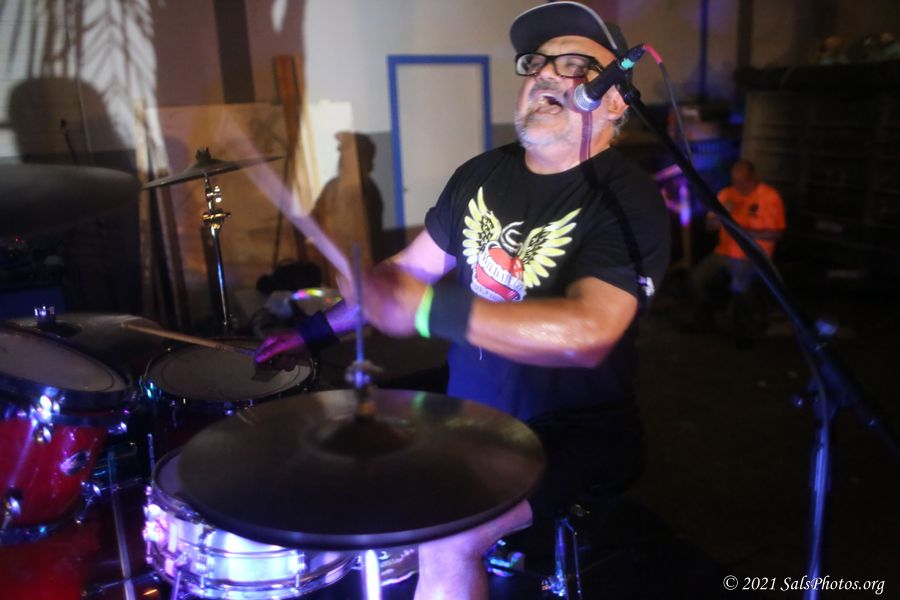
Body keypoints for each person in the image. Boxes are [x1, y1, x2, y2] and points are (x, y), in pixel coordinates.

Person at [256, 2, 669, 598]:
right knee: (343, 440)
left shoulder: (627, 199)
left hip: (575, 431)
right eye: (537, 63)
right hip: (475, 411)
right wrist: (315, 330)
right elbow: (404, 273)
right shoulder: (482, 174)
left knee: (448, 536)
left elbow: (589, 332)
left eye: (575, 66)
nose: (545, 75)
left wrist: (427, 310)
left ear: (615, 101)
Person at [687, 159, 785, 347]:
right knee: (696, 278)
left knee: (740, 286)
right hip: (724, 252)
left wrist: (744, 232)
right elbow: (709, 227)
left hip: (752, 255)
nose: (739, 187)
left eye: (743, 183)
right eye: (735, 182)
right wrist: (721, 214)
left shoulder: (769, 196)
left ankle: (746, 331)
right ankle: (703, 321)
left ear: (753, 178)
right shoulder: (726, 194)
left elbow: (776, 234)